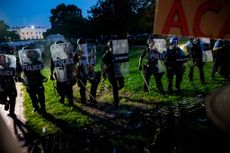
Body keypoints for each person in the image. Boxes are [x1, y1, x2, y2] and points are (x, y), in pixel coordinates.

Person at [18, 46, 47, 114]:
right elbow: (18, 71)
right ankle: (36, 107)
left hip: (38, 81)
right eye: (27, 52)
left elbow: (41, 67)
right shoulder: (22, 62)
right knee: (32, 97)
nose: (28, 54)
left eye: (30, 52)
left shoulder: (37, 60)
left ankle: (43, 108)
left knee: (41, 95)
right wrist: (19, 77)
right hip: (29, 82)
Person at [74, 38, 101, 104]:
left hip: (90, 70)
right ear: (78, 45)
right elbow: (74, 63)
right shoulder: (77, 53)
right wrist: (76, 72)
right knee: (82, 86)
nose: (82, 45)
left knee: (94, 83)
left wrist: (92, 63)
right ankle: (83, 100)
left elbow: (93, 60)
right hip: (81, 71)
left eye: (83, 44)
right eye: (80, 44)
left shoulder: (90, 51)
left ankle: (92, 98)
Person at [50, 41, 76, 106]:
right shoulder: (54, 56)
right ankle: (62, 96)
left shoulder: (68, 54)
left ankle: (70, 101)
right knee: (59, 88)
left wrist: (75, 72)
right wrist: (51, 74)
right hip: (59, 75)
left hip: (68, 74)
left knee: (68, 88)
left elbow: (72, 64)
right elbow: (52, 66)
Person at [101, 40, 124, 108]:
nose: (114, 48)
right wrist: (105, 72)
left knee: (121, 85)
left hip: (118, 71)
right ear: (109, 47)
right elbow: (102, 64)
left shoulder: (117, 53)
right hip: (111, 73)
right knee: (114, 85)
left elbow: (121, 60)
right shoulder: (106, 55)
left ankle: (116, 91)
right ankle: (116, 102)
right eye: (112, 47)